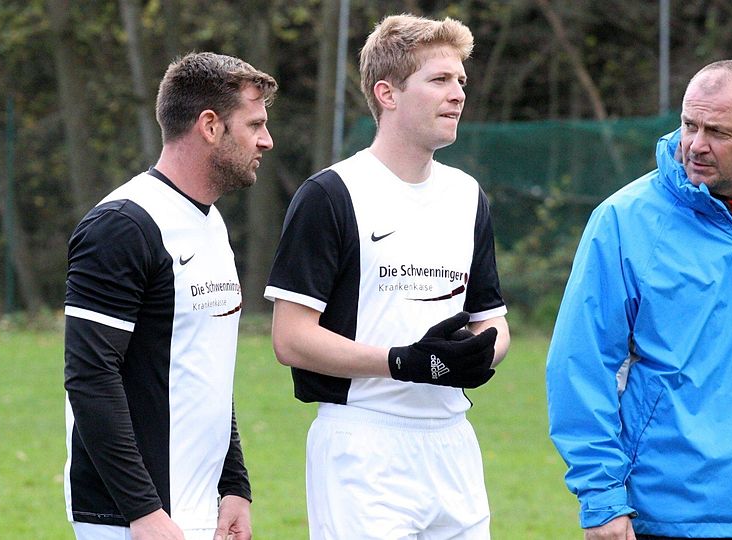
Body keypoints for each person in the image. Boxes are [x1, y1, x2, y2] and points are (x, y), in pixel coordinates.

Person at [264, 13, 510, 540]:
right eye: (439, 80)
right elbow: (290, 338)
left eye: (461, 81)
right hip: (363, 446)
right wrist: (400, 363)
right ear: (388, 93)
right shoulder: (330, 194)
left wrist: (476, 353)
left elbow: (493, 322)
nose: (458, 94)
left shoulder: (468, 196)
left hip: (452, 444)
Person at [545, 59, 732, 540]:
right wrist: (602, 500)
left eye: (718, 132)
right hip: (669, 518)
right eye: (689, 125)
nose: (696, 144)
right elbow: (580, 365)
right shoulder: (623, 221)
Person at [62, 52, 277, 540]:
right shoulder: (122, 226)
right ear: (209, 125)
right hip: (134, 520)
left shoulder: (211, 221)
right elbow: (90, 377)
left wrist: (234, 486)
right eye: (255, 123)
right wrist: (143, 512)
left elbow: (204, 365)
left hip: (200, 510)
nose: (267, 139)